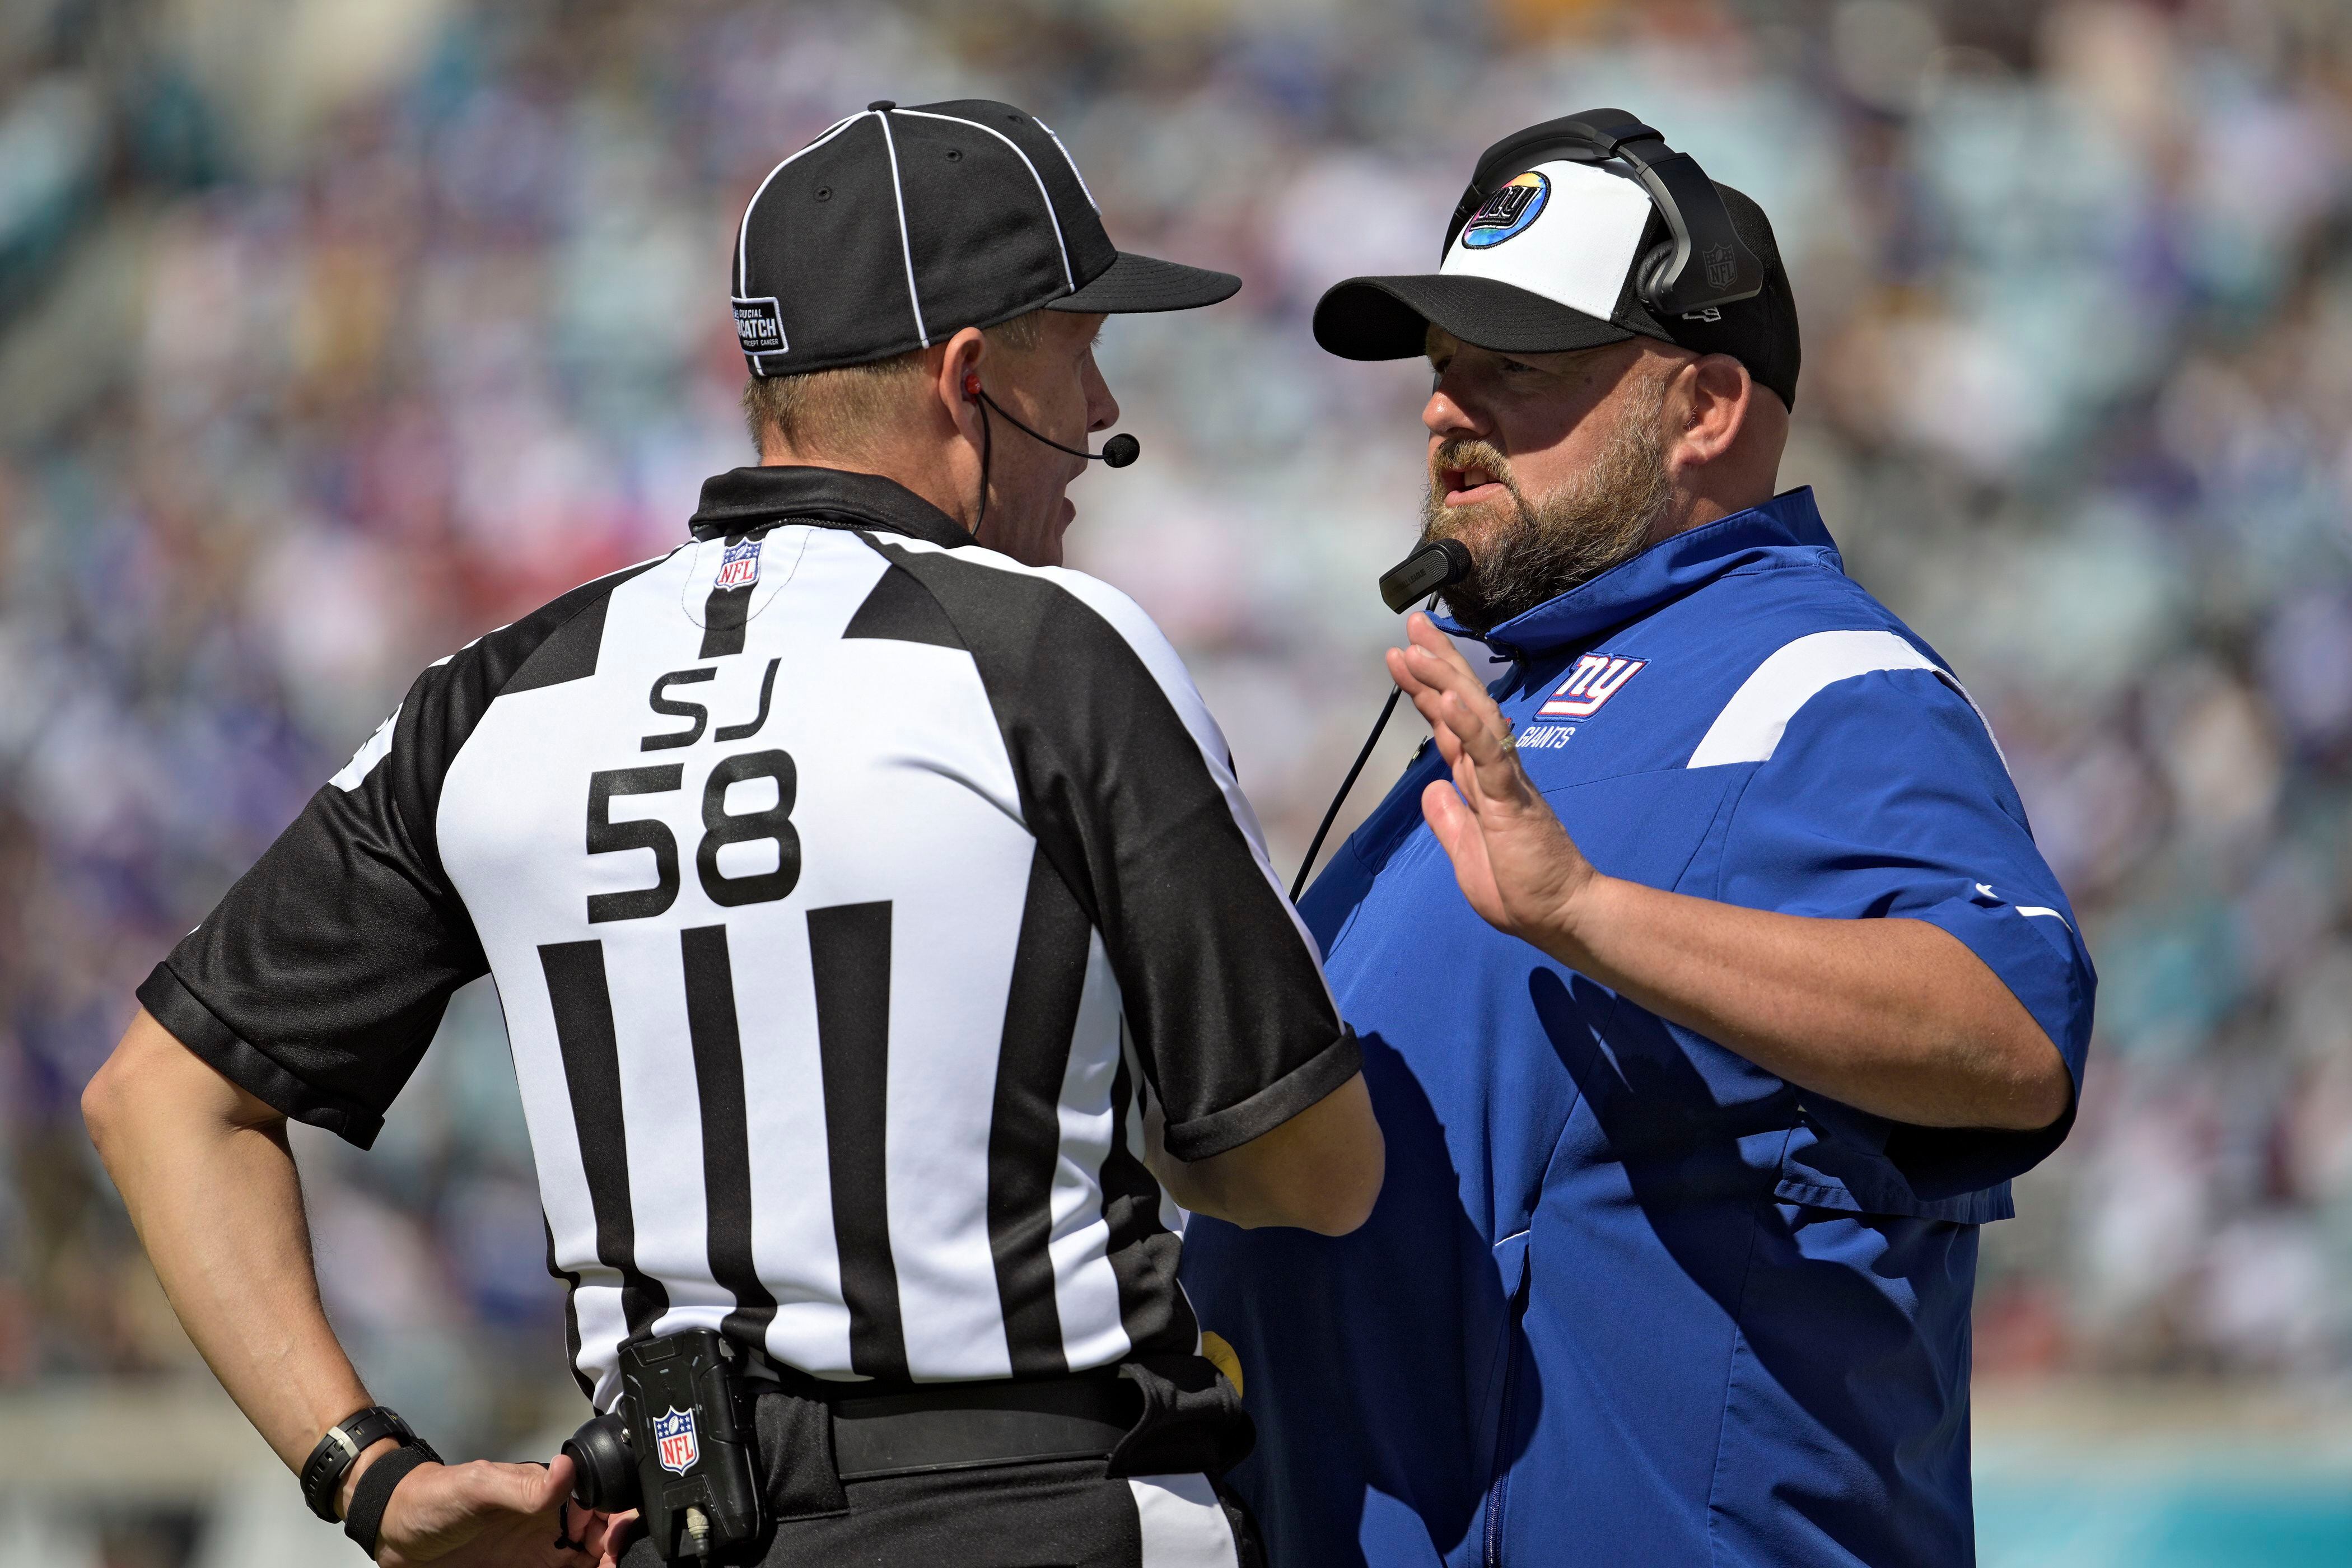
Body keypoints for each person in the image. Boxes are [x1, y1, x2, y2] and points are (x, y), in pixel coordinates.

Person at [82, 97, 1382, 1568]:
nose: (1098, 411)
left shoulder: (501, 689)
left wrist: (365, 1475)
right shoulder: (1053, 647)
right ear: (969, 378)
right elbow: (1313, 1171)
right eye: (1077, 350)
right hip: (1033, 1506)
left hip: (670, 1517)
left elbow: (158, 1096)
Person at [1182, 110, 2095, 1567]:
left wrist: (1590, 912)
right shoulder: (1510, 710)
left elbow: (2012, 1036)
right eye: (1443, 366)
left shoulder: (1819, 681)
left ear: (1709, 405)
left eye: (1519, 366)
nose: (1445, 411)